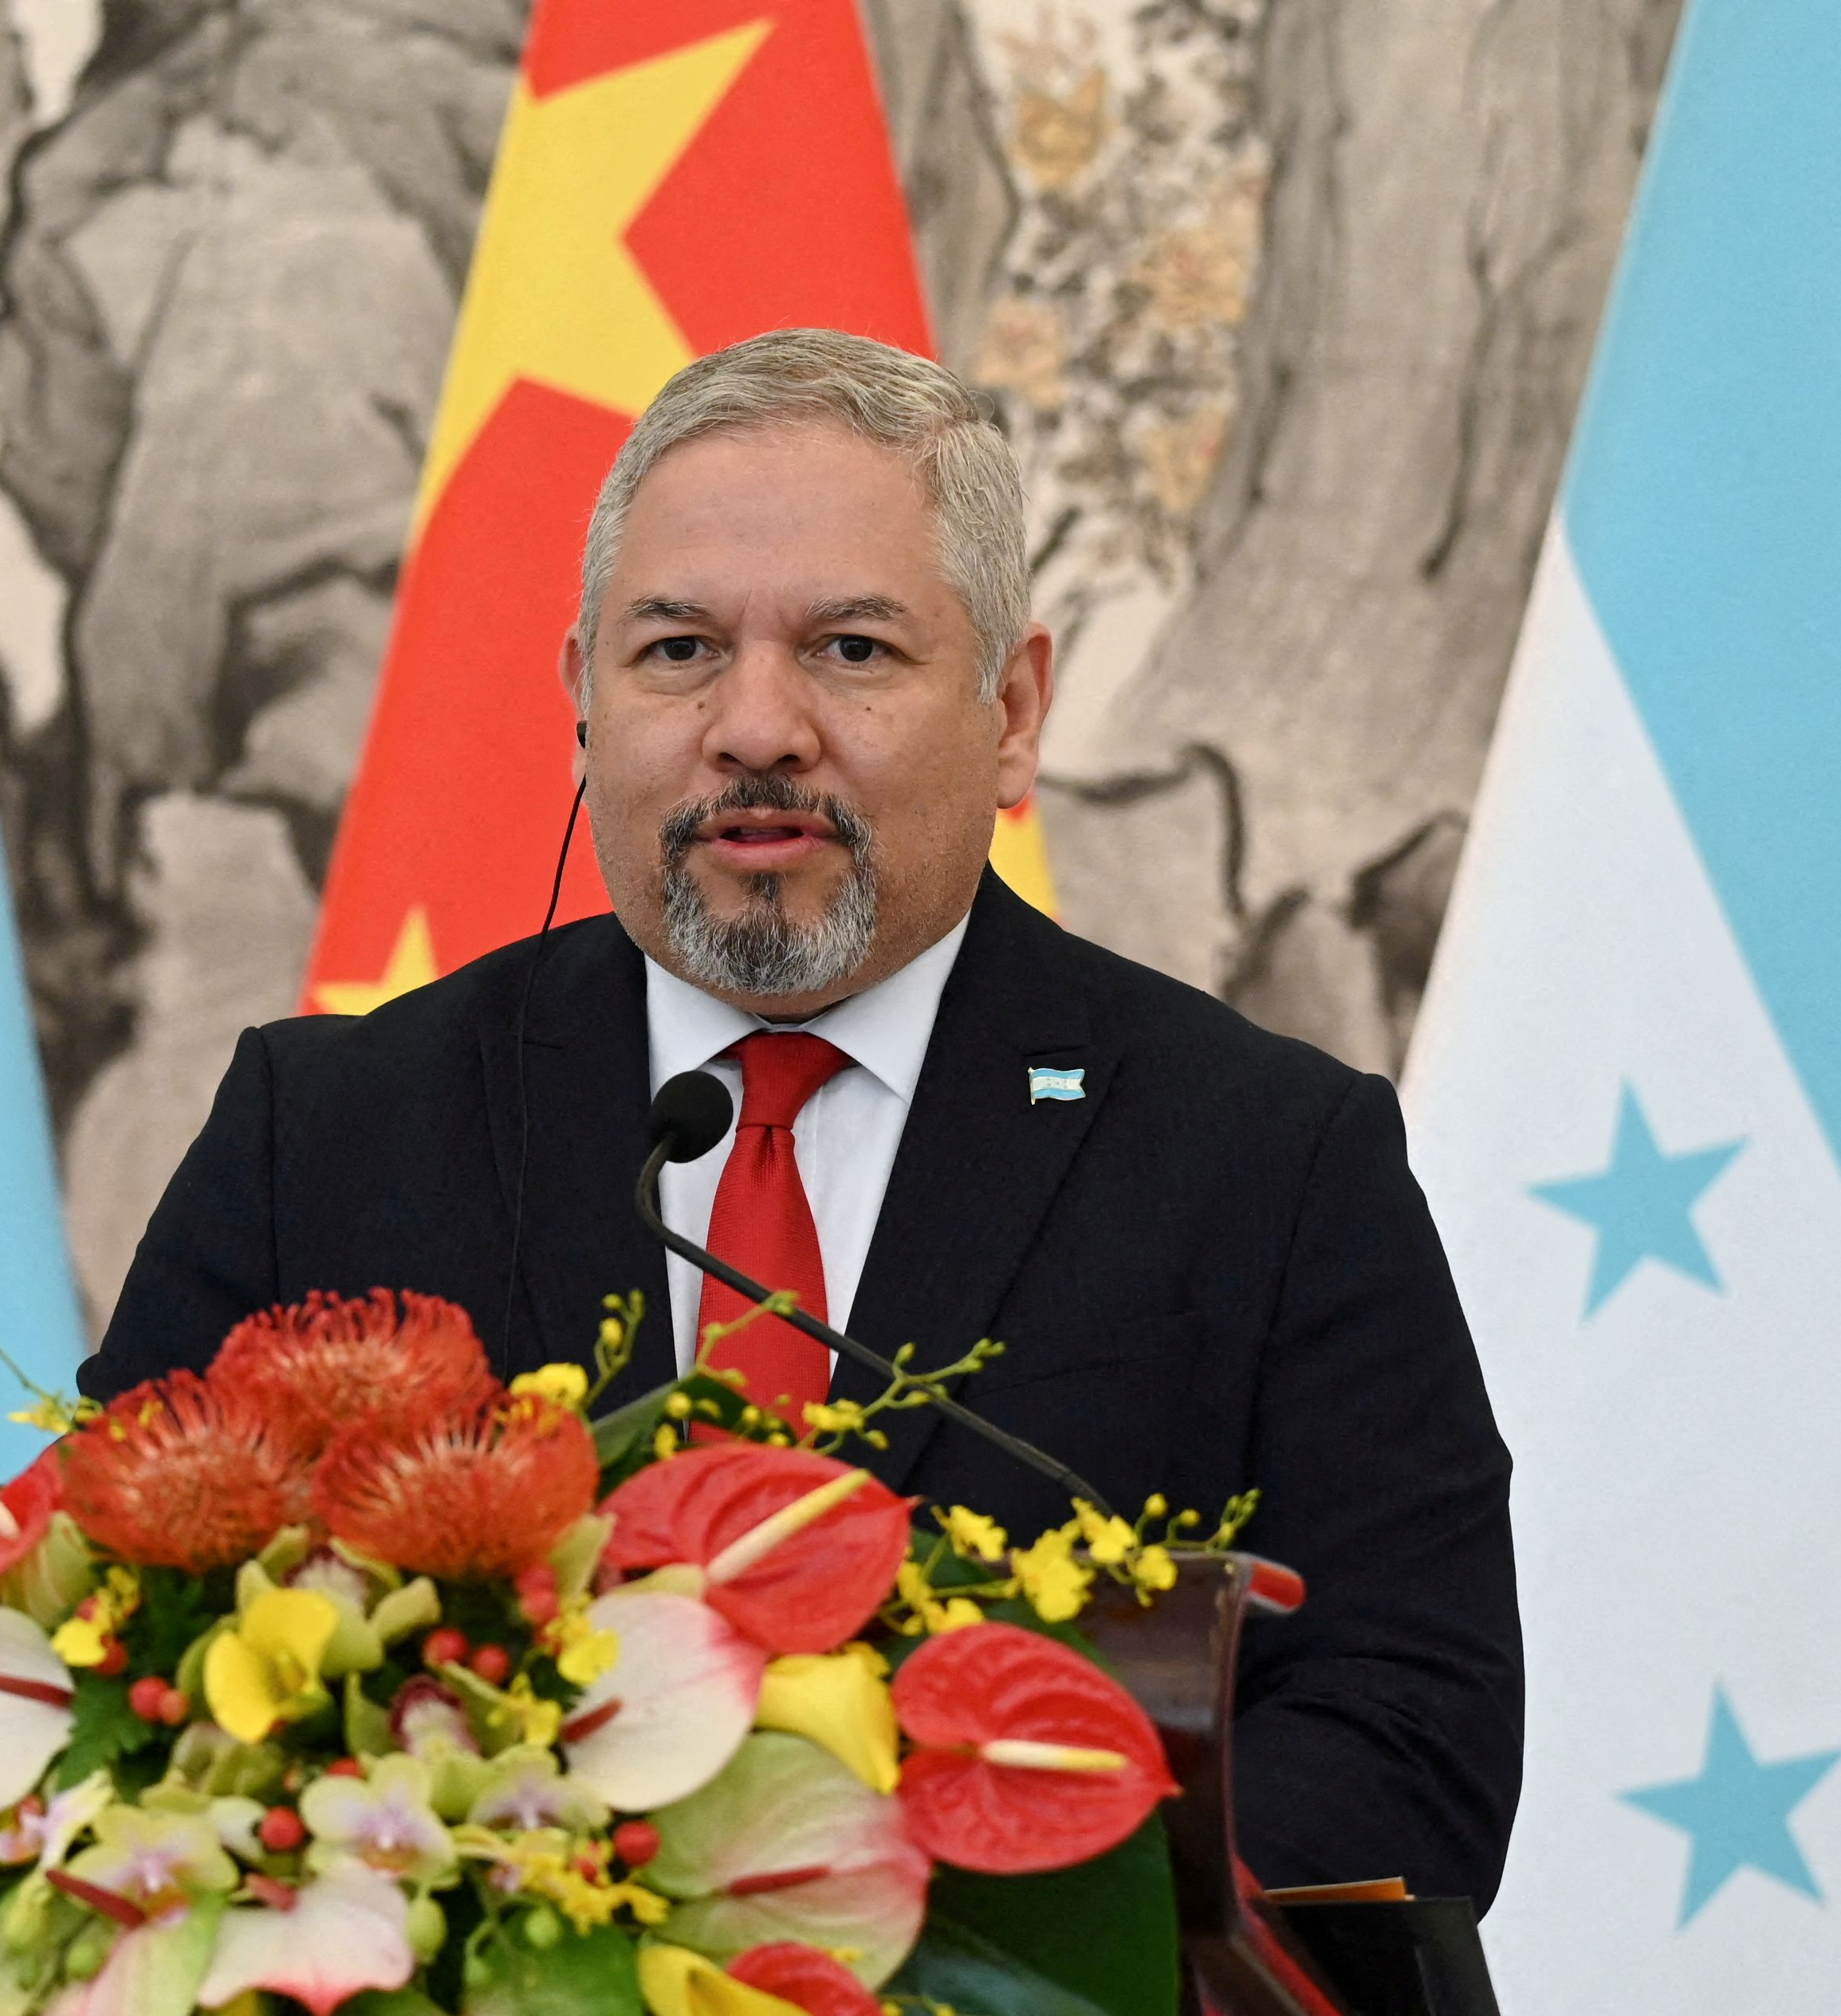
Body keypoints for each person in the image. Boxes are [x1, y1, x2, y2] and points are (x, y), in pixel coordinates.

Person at [86, 328, 1523, 1904]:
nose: (756, 725)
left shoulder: (1266, 1156)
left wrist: (903, 1917)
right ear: (583, 697)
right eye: (678, 648)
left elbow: (1414, 1736)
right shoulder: (332, 1130)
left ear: (1016, 709)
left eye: (849, 648)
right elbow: (110, 1637)